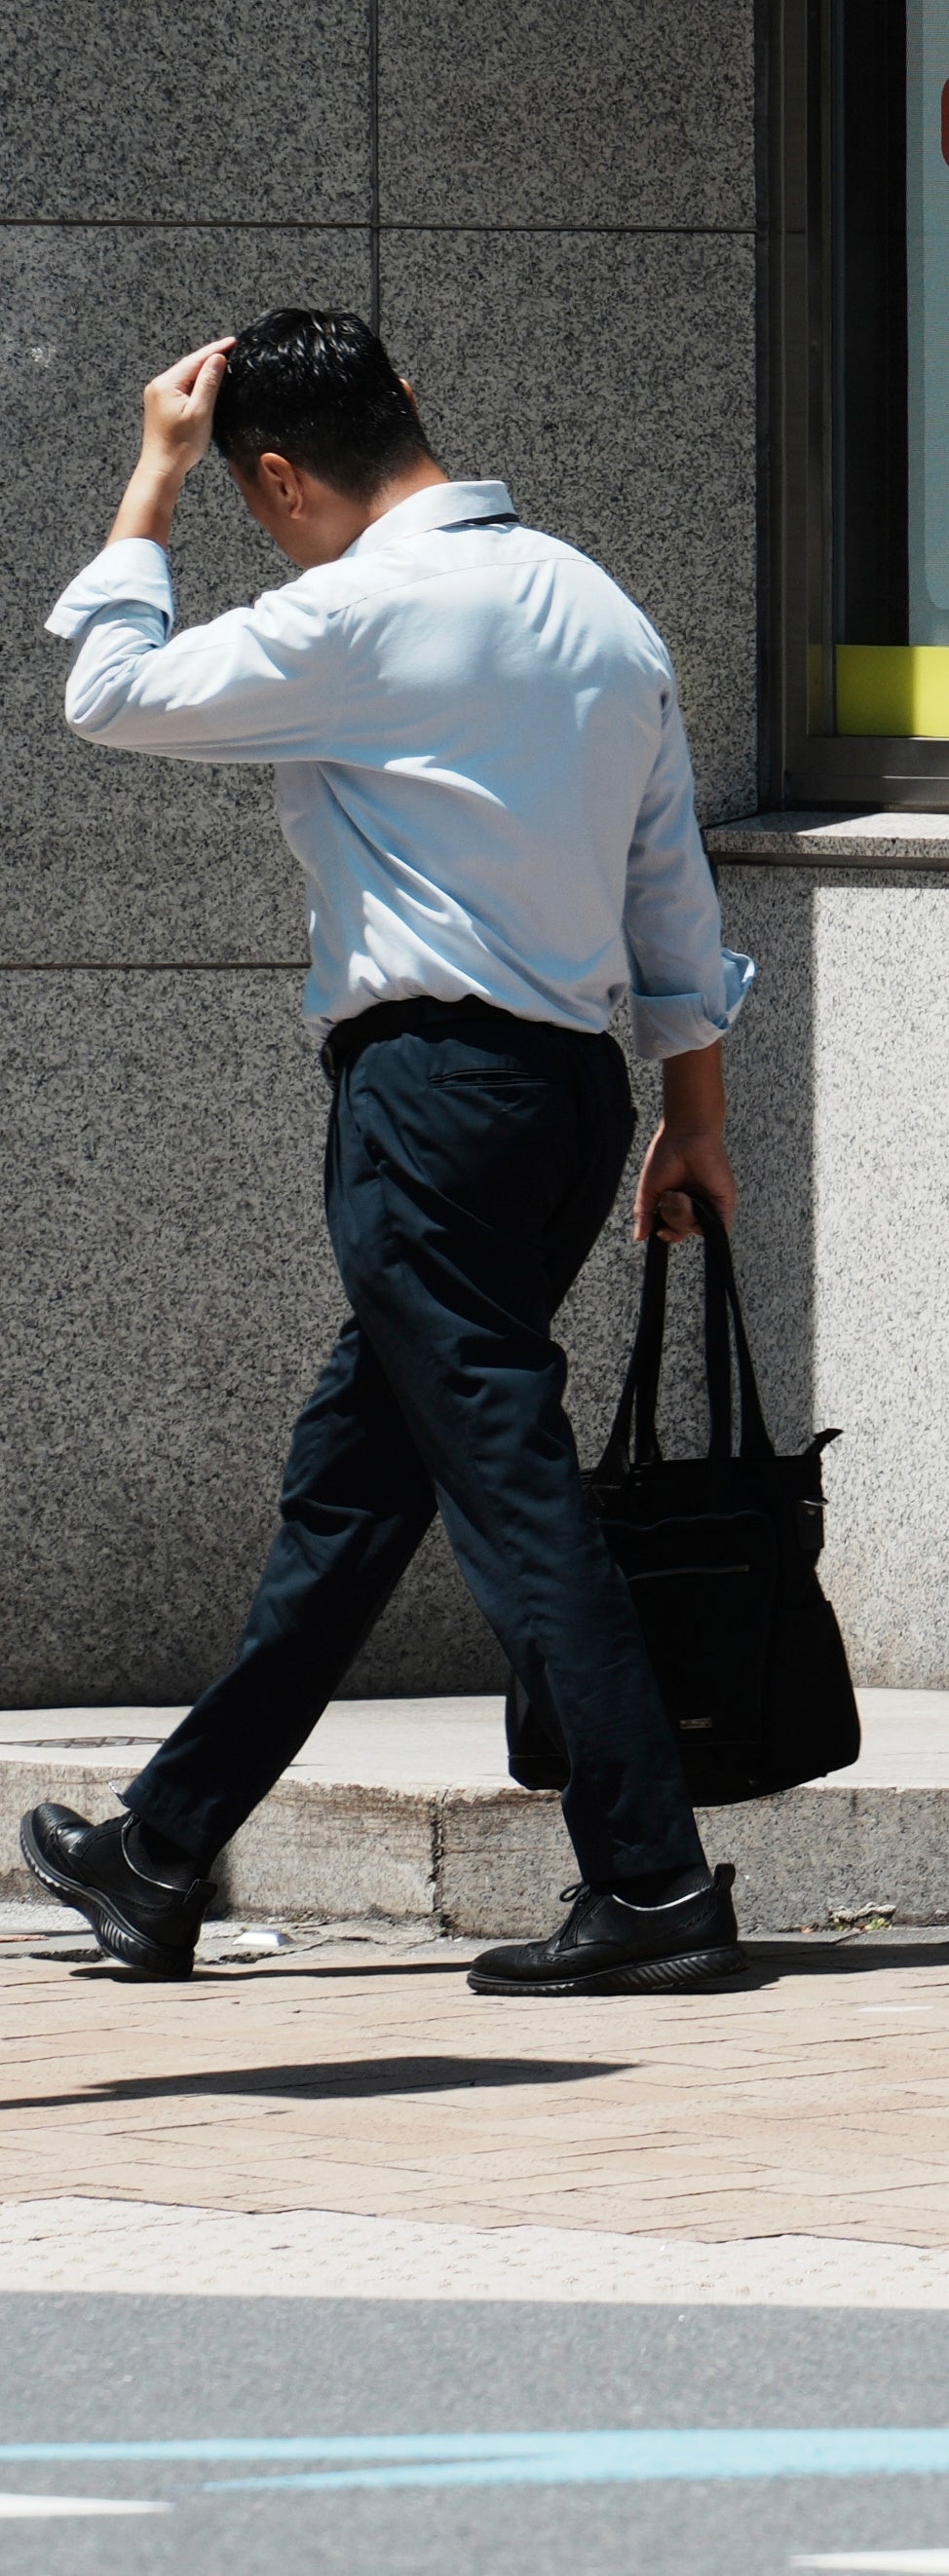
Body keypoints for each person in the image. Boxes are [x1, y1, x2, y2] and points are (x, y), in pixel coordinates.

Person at [19, 313, 758, 1995]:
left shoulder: (351, 610)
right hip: (569, 1103)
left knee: (511, 1487)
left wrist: (150, 472)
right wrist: (696, 1114)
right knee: (358, 1491)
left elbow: (109, 692)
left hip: (430, 1100)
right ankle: (161, 1848)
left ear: (275, 474)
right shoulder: (599, 603)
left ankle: (651, 1878)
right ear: (412, 404)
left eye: (244, 492)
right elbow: (671, 891)